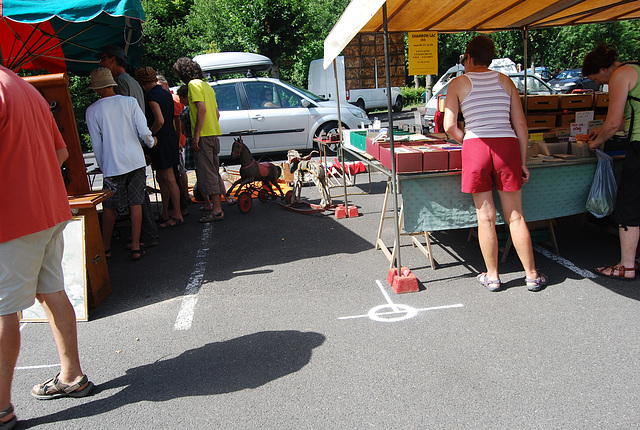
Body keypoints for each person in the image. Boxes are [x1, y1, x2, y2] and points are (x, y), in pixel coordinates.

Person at [0, 65, 94, 429]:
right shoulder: (25, 88)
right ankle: (72, 376)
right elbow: (60, 153)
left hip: (14, 220)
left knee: (4, 308)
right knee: (51, 292)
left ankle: (2, 409)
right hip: (49, 211)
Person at [443, 35, 548, 292]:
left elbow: (449, 126)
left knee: (485, 217)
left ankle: (492, 276)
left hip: (476, 146)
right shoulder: (506, 81)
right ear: (489, 57)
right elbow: (521, 125)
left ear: (468, 57)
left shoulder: (457, 83)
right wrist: (522, 161)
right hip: (507, 146)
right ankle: (532, 275)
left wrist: (466, 139)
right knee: (515, 216)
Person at [85, 67, 157, 261]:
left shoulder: (92, 110)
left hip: (112, 164)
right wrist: (151, 143)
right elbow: (143, 131)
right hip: (135, 159)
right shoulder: (130, 102)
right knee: (136, 202)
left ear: (97, 89)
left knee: (109, 206)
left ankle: (106, 246)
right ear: (112, 84)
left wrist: (103, 165)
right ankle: (135, 245)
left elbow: (97, 144)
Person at [583, 44, 640, 280]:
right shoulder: (637, 68)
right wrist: (603, 133)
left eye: (597, 78)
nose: (598, 84)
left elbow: (614, 122)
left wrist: (595, 143)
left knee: (628, 205)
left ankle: (626, 266)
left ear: (605, 69)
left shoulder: (621, 74)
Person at [173, 57, 226, 222]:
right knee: (214, 170)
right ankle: (219, 207)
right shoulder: (207, 86)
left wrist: (196, 135)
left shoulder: (193, 85)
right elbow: (216, 114)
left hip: (203, 136)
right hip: (213, 134)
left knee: (207, 173)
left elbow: (201, 109)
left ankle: (216, 210)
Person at [135, 67, 184, 228]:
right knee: (162, 177)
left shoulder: (152, 95)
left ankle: (176, 214)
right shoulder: (165, 92)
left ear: (142, 82)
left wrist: (149, 134)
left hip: (160, 138)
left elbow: (160, 120)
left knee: (168, 178)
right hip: (168, 136)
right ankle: (165, 211)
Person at [157, 74, 191, 209]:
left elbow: (178, 121)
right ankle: (184, 197)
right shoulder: (168, 98)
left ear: (166, 84)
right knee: (177, 172)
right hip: (174, 140)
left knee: (180, 171)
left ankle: (185, 197)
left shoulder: (173, 98)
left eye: (159, 85)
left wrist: (178, 141)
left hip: (176, 140)